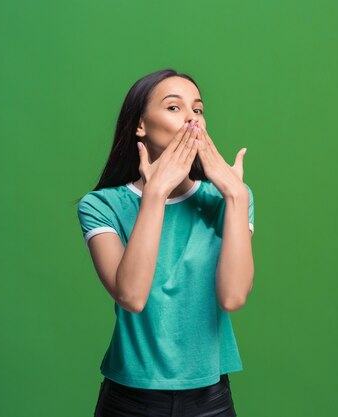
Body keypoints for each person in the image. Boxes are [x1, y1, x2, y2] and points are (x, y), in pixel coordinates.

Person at [76, 68, 255, 417]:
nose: (191, 118)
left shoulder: (231, 197)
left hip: (211, 398)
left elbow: (233, 297)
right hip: (130, 400)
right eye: (174, 107)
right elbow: (131, 295)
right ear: (141, 126)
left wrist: (234, 194)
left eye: (198, 110)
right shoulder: (101, 206)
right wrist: (155, 193)